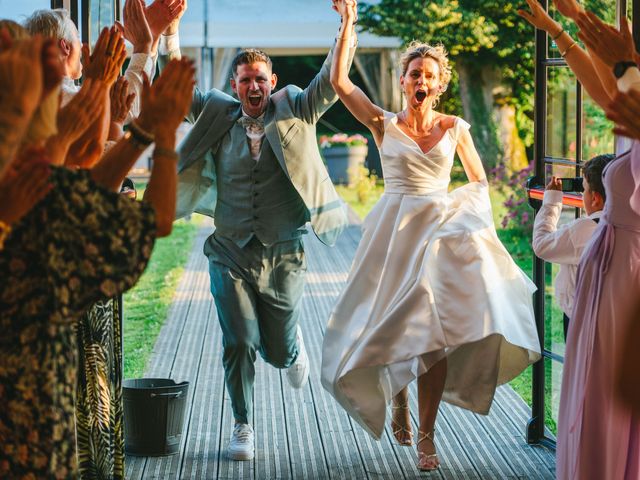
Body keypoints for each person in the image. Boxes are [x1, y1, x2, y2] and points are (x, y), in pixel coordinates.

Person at [321, 0, 541, 472]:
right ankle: (396, 398)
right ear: (403, 81)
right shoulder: (383, 124)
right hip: (393, 235)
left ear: (440, 85)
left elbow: (479, 182)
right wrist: (348, 22)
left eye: (429, 75)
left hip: (438, 238)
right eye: (414, 73)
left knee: (434, 337)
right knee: (394, 326)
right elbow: (341, 84)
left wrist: (460, 220)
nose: (421, 80)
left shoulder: (454, 127)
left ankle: (427, 435)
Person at [156, 0, 354, 461]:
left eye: (260, 79)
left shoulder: (296, 107)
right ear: (234, 84)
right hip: (229, 249)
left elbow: (330, 79)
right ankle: (242, 424)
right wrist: (171, 31)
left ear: (272, 82)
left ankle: (292, 347)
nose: (253, 86)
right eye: (245, 79)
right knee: (239, 340)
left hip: (284, 250)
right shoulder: (217, 111)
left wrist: (347, 23)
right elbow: (177, 89)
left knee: (278, 352)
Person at [0, 28, 195, 476]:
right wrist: (161, 136)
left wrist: (139, 128)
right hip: (29, 430)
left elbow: (85, 176)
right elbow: (153, 221)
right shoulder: (36, 198)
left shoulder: (35, 183)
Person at [538, 7, 640, 479]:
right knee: (595, 389)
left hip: (627, 273)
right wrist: (565, 22)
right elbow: (606, 92)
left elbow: (618, 86)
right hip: (612, 265)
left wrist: (625, 65)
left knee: (610, 394)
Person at [532, 154, 614, 340]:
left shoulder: (584, 230)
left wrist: (552, 201)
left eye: (583, 189)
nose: (581, 194)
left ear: (595, 199)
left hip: (582, 319)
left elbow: (541, 244)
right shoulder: (629, 227)